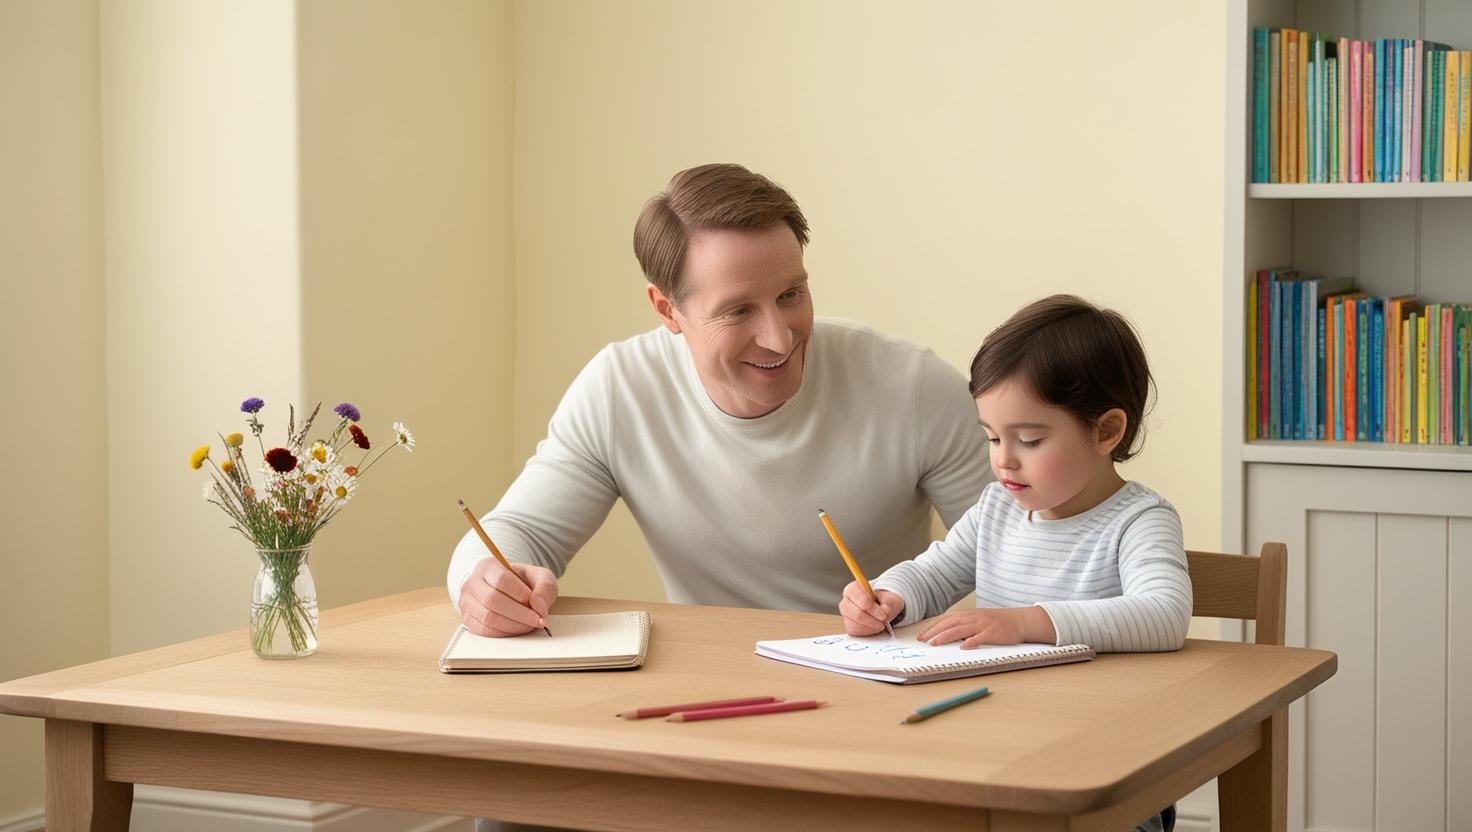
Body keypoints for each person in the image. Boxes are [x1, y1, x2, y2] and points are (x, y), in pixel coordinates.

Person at [448, 162, 990, 641]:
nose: (780, 339)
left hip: (880, 689)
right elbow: (518, 531)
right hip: (706, 689)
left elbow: (1019, 551)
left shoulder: (914, 387)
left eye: (791, 295)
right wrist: (484, 583)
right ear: (666, 311)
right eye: (738, 312)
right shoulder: (620, 391)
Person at [838, 294, 1191, 832]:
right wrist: (889, 594)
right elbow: (936, 569)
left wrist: (1027, 621)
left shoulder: (1138, 520)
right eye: (992, 437)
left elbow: (1164, 614)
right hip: (1000, 750)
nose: (1004, 458)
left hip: (1107, 772)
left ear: (1106, 431)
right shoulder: (998, 508)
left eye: (1029, 439)